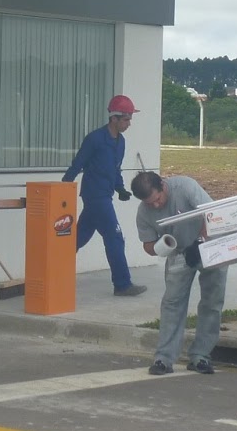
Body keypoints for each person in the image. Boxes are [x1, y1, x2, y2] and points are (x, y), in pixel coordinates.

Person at [131, 169, 226, 375]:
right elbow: (147, 245)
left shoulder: (185, 187)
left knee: (212, 301)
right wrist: (160, 246)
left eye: (158, 199)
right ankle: (164, 359)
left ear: (162, 185)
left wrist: (200, 242)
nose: (156, 206)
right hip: (179, 252)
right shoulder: (144, 212)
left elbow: (212, 213)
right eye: (150, 203)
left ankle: (201, 356)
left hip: (211, 245)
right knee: (172, 303)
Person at [62, 94, 147, 296]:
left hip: (105, 195)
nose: (129, 123)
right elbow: (78, 163)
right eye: (126, 119)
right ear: (114, 118)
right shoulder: (95, 139)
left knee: (76, 239)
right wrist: (64, 187)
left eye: (129, 119)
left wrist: (120, 188)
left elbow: (115, 169)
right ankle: (122, 284)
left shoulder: (121, 142)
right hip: (95, 196)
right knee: (114, 237)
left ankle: (52, 270)